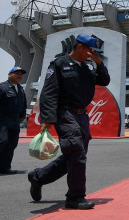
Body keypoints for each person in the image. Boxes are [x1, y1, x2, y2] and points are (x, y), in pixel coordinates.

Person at [27, 34, 110, 210]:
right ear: (79, 47)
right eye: (89, 50)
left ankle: (39, 177)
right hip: (65, 113)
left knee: (74, 155)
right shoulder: (59, 64)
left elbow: (104, 81)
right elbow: (49, 93)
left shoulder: (88, 67)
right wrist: (47, 119)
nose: (91, 53)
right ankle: (75, 197)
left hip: (82, 115)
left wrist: (99, 63)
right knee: (77, 152)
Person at [0, 67, 27, 175]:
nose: (19, 76)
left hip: (15, 120)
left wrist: (22, 115)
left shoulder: (20, 89)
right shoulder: (1, 87)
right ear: (9, 74)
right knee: (1, 141)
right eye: (17, 73)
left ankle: (4, 167)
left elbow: (23, 104)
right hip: (1, 119)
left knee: (11, 144)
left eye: (21, 74)